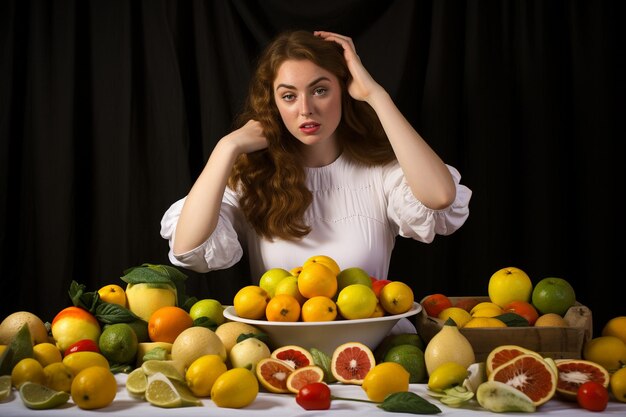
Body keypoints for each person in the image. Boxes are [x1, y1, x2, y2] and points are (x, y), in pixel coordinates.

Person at [161, 30, 471, 286]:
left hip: (373, 351)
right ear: (273, 103)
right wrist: (226, 148)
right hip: (277, 356)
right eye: (289, 96)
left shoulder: (381, 171)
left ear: (344, 90)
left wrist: (376, 95)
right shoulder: (253, 177)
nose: (305, 108)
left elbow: (441, 197)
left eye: (320, 90)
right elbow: (188, 248)